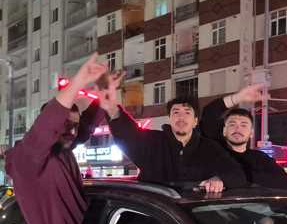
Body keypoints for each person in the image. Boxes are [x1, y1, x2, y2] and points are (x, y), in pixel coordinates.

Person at [6, 53, 107, 224]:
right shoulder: (26, 159)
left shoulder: (62, 150)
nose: (73, 132)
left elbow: (86, 125)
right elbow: (46, 126)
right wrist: (77, 82)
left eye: (75, 126)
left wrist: (104, 91)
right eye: (66, 125)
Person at [99, 72, 246, 193]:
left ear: (195, 121)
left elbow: (237, 175)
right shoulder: (152, 142)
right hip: (155, 213)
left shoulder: (210, 148)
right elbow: (126, 132)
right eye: (176, 112)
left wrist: (219, 180)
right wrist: (110, 104)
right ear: (169, 118)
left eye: (187, 112)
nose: (181, 117)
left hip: (193, 216)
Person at [199, 85, 287, 189]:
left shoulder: (260, 159)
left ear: (251, 133)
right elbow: (209, 113)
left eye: (243, 125)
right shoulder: (214, 152)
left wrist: (232, 177)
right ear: (224, 131)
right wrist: (237, 98)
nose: (238, 128)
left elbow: (284, 183)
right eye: (232, 124)